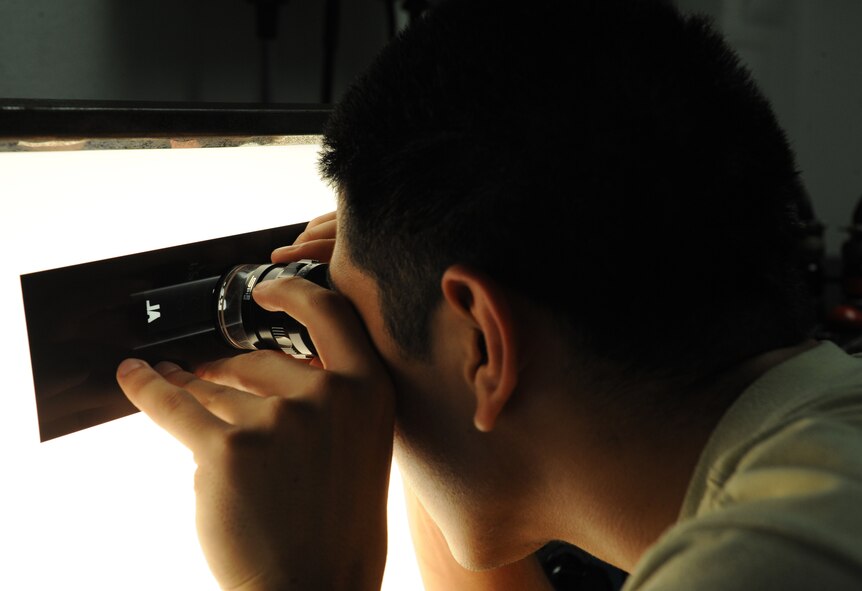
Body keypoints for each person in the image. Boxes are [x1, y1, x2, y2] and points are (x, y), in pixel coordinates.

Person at [115, 0, 862, 589]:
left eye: (364, 337)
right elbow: (492, 463)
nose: (367, 378)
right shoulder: (818, 458)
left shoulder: (766, 567)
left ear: (480, 343)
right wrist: (407, 287)